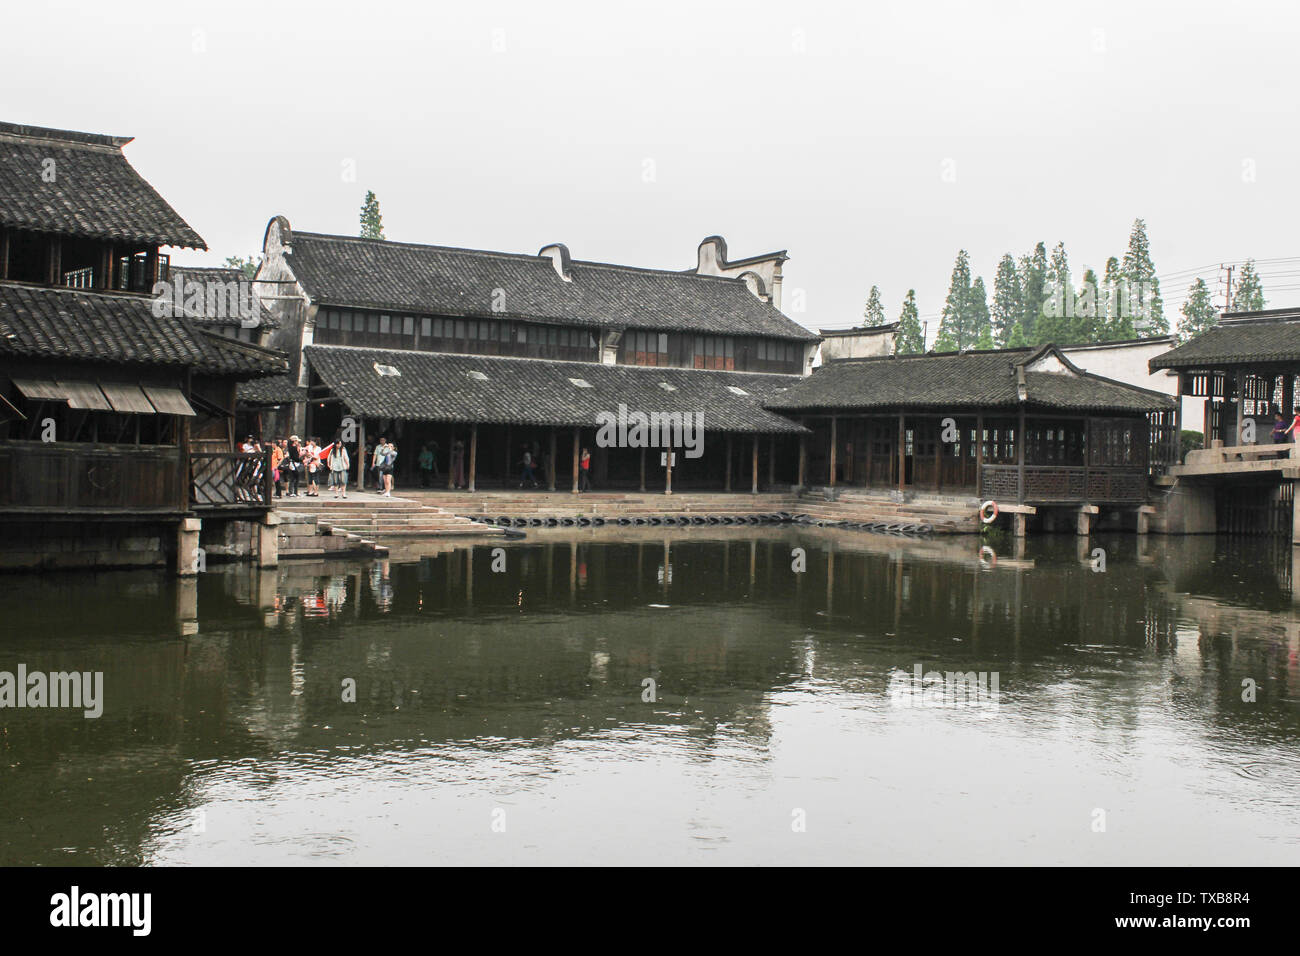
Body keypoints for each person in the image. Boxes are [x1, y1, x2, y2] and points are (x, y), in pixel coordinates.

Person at [328, 434, 351, 499]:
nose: (339, 445)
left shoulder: (343, 449)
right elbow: (329, 458)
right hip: (335, 466)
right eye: (338, 444)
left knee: (343, 480)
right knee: (335, 480)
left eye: (340, 444)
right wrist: (329, 465)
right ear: (335, 444)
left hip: (342, 466)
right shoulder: (332, 451)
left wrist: (347, 464)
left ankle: (344, 493)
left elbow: (346, 457)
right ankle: (336, 493)